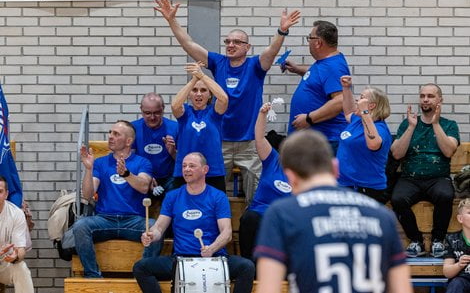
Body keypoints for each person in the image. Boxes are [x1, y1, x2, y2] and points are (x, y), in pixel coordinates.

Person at [154, 0, 300, 201]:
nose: (231, 45)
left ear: (247, 47)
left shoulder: (255, 66)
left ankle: (252, 229)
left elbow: (271, 51)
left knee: (257, 194)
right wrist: (172, 21)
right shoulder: (218, 62)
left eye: (237, 42)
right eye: (228, 41)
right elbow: (189, 45)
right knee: (215, 194)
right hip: (220, 143)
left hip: (249, 143)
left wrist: (281, 31)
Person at [254, 130, 412, 293]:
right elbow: (402, 288)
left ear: (290, 177)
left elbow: (268, 288)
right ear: (335, 168)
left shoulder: (282, 214)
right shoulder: (382, 216)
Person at [132, 152, 255, 293]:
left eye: (192, 166)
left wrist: (212, 248)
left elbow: (226, 232)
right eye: (184, 166)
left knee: (247, 267)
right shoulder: (172, 196)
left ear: (205, 170)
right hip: (181, 259)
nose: (186, 169)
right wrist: (151, 235)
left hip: (214, 257)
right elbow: (159, 227)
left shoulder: (218, 196)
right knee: (141, 267)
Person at [73, 120, 159, 278]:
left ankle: (144, 274)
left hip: (133, 221)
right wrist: (89, 169)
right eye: (110, 133)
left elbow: (144, 186)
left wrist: (126, 174)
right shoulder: (100, 163)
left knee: (155, 227)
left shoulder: (142, 162)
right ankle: (93, 275)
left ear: (128, 141)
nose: (110, 137)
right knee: (80, 226)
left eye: (116, 134)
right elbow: (87, 195)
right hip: (104, 220)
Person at [390, 83, 460, 258]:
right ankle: (416, 241)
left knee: (445, 195)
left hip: (438, 178)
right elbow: (397, 154)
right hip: (410, 178)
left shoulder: (449, 125)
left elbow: (448, 151)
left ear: (439, 100)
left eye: (430, 96)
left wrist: (436, 124)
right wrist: (411, 127)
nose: (425, 99)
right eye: (422, 96)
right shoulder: (408, 123)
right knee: (397, 199)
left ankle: (438, 240)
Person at [286, 20, 349, 154]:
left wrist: (309, 118)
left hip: (324, 142)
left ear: (318, 42)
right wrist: (298, 69)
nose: (308, 41)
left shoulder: (333, 66)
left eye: (310, 37)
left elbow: (340, 101)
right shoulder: (324, 63)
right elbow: (321, 77)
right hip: (313, 141)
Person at [239, 103, 291, 262]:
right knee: (249, 219)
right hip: (259, 214)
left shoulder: (304, 174)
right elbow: (259, 138)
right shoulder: (273, 161)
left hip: (283, 219)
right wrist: (262, 114)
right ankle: (250, 266)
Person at [171, 62, 228, 192]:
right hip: (185, 172)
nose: (198, 94)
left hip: (213, 171)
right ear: (189, 94)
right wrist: (194, 79)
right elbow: (174, 105)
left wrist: (202, 75)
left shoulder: (214, 112)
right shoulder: (185, 113)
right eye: (194, 91)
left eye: (203, 90)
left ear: (210, 95)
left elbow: (224, 99)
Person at [336, 76, 392, 204]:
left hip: (365, 189)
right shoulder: (357, 120)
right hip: (344, 184)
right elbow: (348, 111)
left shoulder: (380, 128)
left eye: (361, 98)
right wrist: (346, 88)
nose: (357, 99)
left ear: (371, 105)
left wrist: (365, 112)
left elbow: (373, 144)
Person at [132, 92, 178, 197]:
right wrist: (145, 178)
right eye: (147, 113)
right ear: (141, 110)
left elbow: (183, 162)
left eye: (157, 113)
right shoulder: (133, 129)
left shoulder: (175, 128)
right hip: (142, 176)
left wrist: (173, 152)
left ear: (163, 109)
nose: (152, 117)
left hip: (169, 178)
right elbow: (130, 159)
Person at [0, 176, 34, 293]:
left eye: (0, 191)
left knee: (21, 268)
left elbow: (20, 250)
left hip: (5, 264)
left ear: (6, 194)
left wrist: (16, 256)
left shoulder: (16, 214)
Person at [443, 198, 470, 293]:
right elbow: (447, 272)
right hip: (462, 280)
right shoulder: (451, 239)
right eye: (469, 212)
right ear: (460, 218)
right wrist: (459, 265)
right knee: (456, 284)